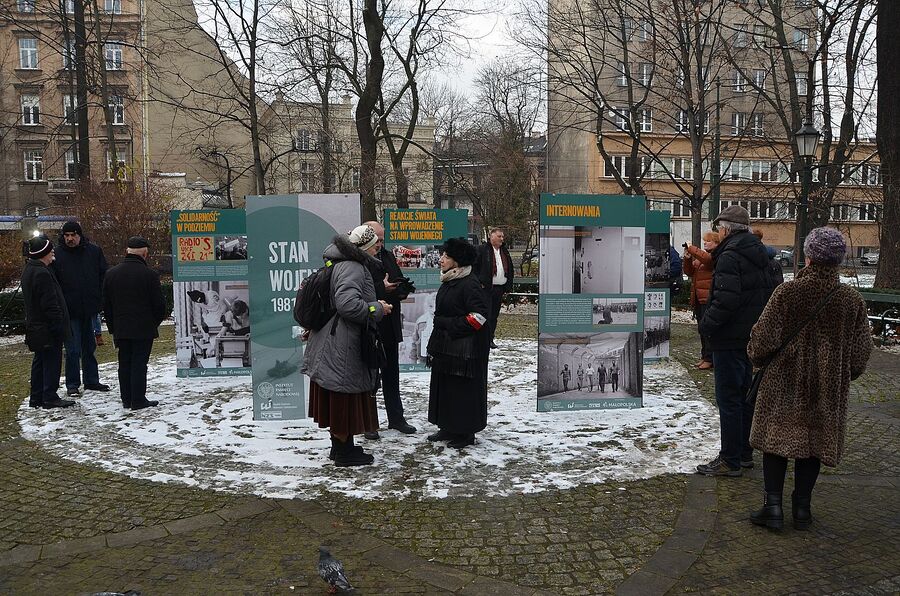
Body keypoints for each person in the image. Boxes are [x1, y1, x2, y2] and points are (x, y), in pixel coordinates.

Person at [747, 227, 873, 530]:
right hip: (826, 388)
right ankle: (802, 509)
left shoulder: (787, 293)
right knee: (814, 442)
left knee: (776, 441)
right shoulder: (850, 300)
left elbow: (762, 340)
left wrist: (757, 358)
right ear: (838, 261)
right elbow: (861, 351)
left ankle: (772, 508)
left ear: (809, 257)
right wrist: (842, 374)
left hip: (784, 382)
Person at [697, 205, 776, 477]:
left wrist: (707, 326)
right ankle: (743, 453)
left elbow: (725, 299)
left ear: (727, 228)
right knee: (744, 397)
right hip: (750, 337)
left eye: (720, 227)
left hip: (729, 337)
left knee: (729, 399)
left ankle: (730, 459)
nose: (719, 232)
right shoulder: (759, 253)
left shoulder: (730, 254)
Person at [302, 225, 390, 466]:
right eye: (375, 244)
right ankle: (344, 452)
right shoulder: (353, 267)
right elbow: (348, 305)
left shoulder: (339, 263)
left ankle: (341, 447)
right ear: (364, 246)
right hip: (342, 342)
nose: (378, 247)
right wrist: (378, 309)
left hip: (333, 339)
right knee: (343, 396)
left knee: (338, 396)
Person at [426, 237, 490, 449]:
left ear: (458, 261)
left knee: (462, 391)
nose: (441, 259)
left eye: (447, 256)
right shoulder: (449, 280)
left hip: (466, 350)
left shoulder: (470, 284)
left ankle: (465, 432)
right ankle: (448, 426)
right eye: (443, 255)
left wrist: (448, 324)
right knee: (445, 388)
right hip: (446, 347)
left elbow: (479, 317)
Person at [362, 220, 416, 439]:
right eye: (377, 239)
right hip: (370, 325)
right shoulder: (358, 260)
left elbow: (394, 277)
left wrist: (401, 288)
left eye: (383, 239)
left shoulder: (386, 255)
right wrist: (380, 288)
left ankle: (396, 418)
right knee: (370, 376)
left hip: (389, 323)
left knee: (392, 374)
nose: (381, 243)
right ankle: (369, 422)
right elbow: (359, 291)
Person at [103, 237, 169, 410]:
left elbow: (107, 305)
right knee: (139, 363)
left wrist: (113, 327)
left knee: (124, 363)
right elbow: (160, 305)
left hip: (121, 328)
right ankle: (138, 399)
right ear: (145, 253)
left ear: (127, 251)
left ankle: (127, 399)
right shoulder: (149, 275)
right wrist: (153, 323)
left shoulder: (111, 274)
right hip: (143, 328)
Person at [53, 220, 110, 397]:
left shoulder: (93, 251)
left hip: (90, 308)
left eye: (73, 235)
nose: (70, 239)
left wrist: (99, 299)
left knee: (89, 347)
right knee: (72, 350)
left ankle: (91, 380)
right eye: (67, 235)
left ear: (79, 235)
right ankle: (72, 384)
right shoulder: (57, 254)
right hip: (69, 311)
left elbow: (103, 275)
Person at [23, 236, 75, 409]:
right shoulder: (42, 273)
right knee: (51, 362)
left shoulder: (30, 269)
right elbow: (49, 304)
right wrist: (58, 324)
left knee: (40, 361)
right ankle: (49, 397)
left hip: (37, 327)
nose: (53, 251)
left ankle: (36, 397)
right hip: (47, 328)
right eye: (50, 249)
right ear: (43, 253)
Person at [683, 232, 719, 370]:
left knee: (708, 330)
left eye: (708, 241)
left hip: (707, 299)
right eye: (704, 241)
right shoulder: (701, 257)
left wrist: (692, 248)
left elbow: (708, 260)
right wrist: (687, 259)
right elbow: (690, 272)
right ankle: (705, 356)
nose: (705, 243)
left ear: (716, 243)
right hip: (699, 299)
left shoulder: (715, 256)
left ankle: (710, 358)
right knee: (702, 329)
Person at [475, 228, 514, 349]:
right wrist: (479, 283)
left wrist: (508, 286)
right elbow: (475, 268)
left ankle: (490, 338)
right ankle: (482, 339)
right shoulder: (482, 250)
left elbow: (510, 269)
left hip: (499, 288)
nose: (502, 239)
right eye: (499, 236)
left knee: (494, 315)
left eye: (502, 236)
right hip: (485, 289)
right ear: (491, 237)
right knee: (485, 314)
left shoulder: (504, 251)